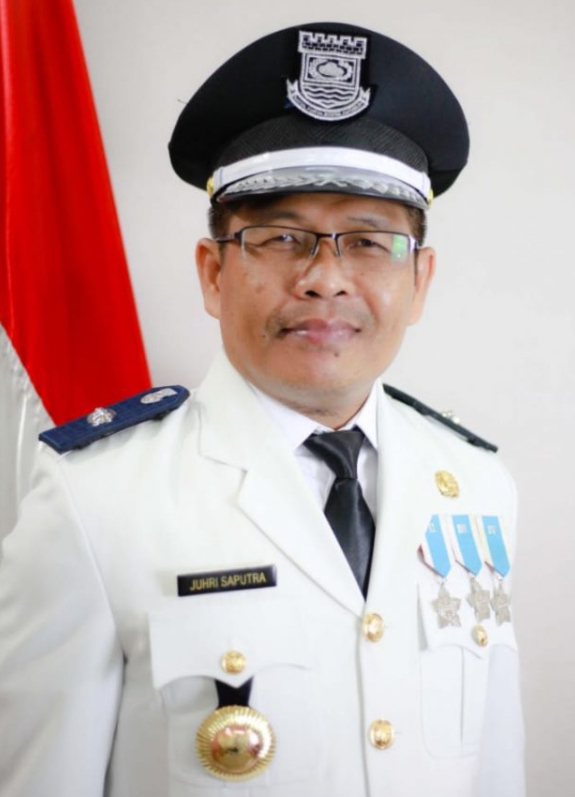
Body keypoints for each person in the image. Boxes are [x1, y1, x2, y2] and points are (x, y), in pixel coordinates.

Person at [0, 21, 525, 797]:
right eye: (281, 238)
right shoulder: (95, 499)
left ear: (419, 281)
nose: (324, 279)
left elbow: (496, 770)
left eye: (368, 242)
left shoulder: (476, 486)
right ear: (213, 274)